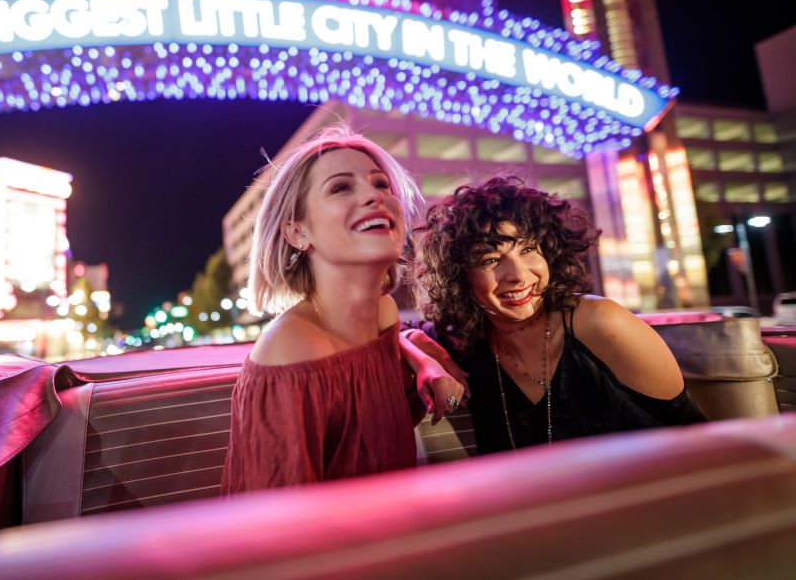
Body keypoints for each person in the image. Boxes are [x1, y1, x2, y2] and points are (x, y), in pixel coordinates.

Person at [221, 126, 466, 494]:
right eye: (340, 187)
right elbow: (277, 529)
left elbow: (375, 358)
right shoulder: (289, 350)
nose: (374, 196)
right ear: (296, 232)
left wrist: (421, 359)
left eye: (381, 184)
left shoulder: (383, 316)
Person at [408, 176, 705, 455]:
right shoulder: (467, 340)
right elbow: (397, 333)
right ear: (460, 277)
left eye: (528, 249)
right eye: (492, 259)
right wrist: (428, 359)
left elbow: (699, 441)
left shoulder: (600, 322)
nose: (518, 275)